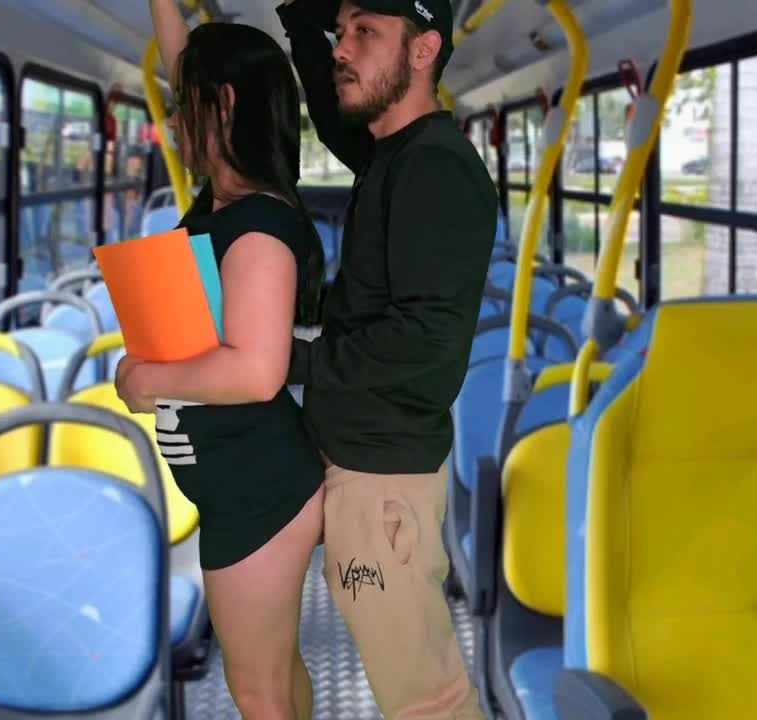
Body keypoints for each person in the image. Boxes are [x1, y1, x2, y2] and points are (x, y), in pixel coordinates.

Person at [275, 0, 498, 716]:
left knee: (428, 701)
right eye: (341, 34)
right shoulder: (393, 153)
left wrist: (293, 360)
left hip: (383, 484)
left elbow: (426, 339)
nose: (344, 49)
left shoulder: (434, 169)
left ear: (424, 50)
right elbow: (333, 106)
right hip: (366, 465)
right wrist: (303, 22)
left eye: (365, 32)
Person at [113, 1, 327, 716]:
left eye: (187, 106)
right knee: (274, 674)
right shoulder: (225, 205)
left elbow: (256, 370)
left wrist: (145, 380)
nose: (175, 122)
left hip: (257, 492)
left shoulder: (258, 228)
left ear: (225, 104)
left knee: (258, 690)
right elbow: (184, 60)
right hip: (241, 483)